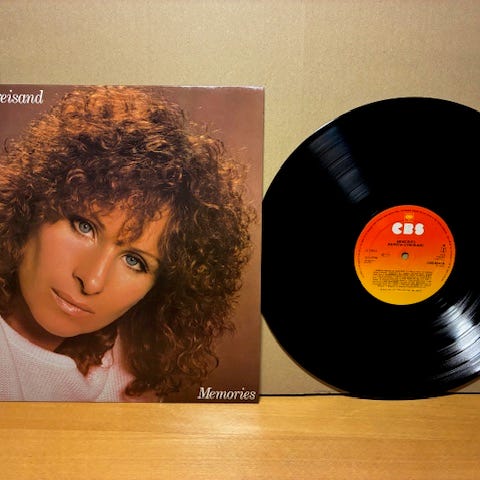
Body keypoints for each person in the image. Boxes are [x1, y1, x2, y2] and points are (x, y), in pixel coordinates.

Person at [0, 85, 256, 402]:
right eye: (83, 227)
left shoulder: (132, 379)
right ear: (31, 204)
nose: (92, 280)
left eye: (134, 261)